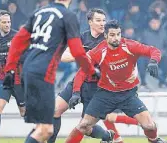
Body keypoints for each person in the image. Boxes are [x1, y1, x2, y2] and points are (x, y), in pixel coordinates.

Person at [3, 0, 94, 143]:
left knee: (41, 128)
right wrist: (91, 70)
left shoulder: (39, 12)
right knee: (46, 130)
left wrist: (9, 70)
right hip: (43, 73)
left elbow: (17, 42)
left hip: (27, 71)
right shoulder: (68, 16)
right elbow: (77, 51)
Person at [67, 20, 167, 143]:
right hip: (105, 95)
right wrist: (76, 92)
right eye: (112, 35)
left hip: (128, 95)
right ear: (105, 36)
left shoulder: (129, 45)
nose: (116, 38)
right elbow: (82, 71)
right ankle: (108, 136)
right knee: (83, 126)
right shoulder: (98, 51)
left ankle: (154, 140)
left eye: (118, 34)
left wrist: (153, 61)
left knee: (150, 126)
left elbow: (154, 50)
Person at [50, 8, 138, 143]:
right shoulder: (82, 38)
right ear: (90, 22)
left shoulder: (110, 39)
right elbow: (63, 56)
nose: (102, 23)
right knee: (54, 110)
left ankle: (106, 136)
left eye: (104, 20)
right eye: (98, 20)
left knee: (85, 126)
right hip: (79, 82)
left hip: (98, 88)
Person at [0, 10, 25, 136]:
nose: (7, 24)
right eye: (4, 22)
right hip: (4, 80)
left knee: (24, 113)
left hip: (18, 80)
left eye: (9, 22)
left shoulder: (17, 37)